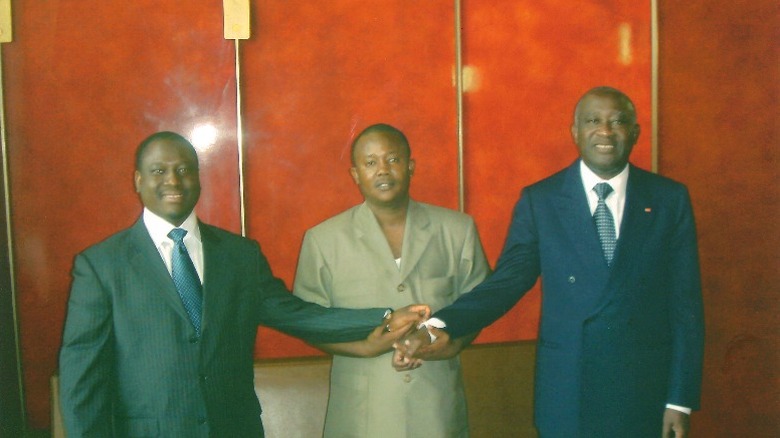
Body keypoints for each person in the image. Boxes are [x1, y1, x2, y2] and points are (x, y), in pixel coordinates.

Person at [58, 131, 429, 437]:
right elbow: (82, 380)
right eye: (158, 171)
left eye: (184, 170)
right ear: (138, 180)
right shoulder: (101, 266)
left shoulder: (240, 256)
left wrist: (382, 315)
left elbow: (298, 315)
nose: (172, 180)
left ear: (198, 178)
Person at [397, 87, 705, 438]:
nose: (604, 131)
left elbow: (686, 307)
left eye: (617, 122)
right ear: (574, 132)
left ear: (634, 133)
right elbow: (506, 283)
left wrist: (679, 401)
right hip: (569, 391)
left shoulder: (668, 199)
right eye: (592, 121)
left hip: (643, 392)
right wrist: (440, 323)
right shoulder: (541, 201)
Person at [292, 123, 490, 437]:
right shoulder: (323, 240)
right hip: (361, 415)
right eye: (370, 163)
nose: (382, 170)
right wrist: (368, 347)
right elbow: (307, 323)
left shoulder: (457, 230)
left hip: (436, 408)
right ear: (355, 174)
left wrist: (448, 342)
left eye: (392, 159)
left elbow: (480, 305)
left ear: (410, 167)